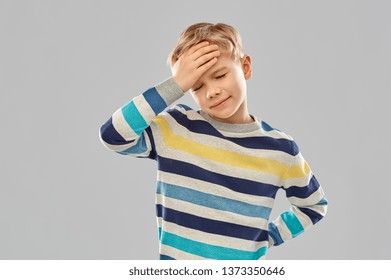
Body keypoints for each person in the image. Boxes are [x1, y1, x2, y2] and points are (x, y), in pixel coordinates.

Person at [99, 22, 328, 260]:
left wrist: (267, 236)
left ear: (245, 67)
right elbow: (113, 136)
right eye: (196, 86)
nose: (212, 91)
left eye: (220, 75)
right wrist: (175, 85)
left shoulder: (280, 149)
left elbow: (314, 205)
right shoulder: (176, 128)